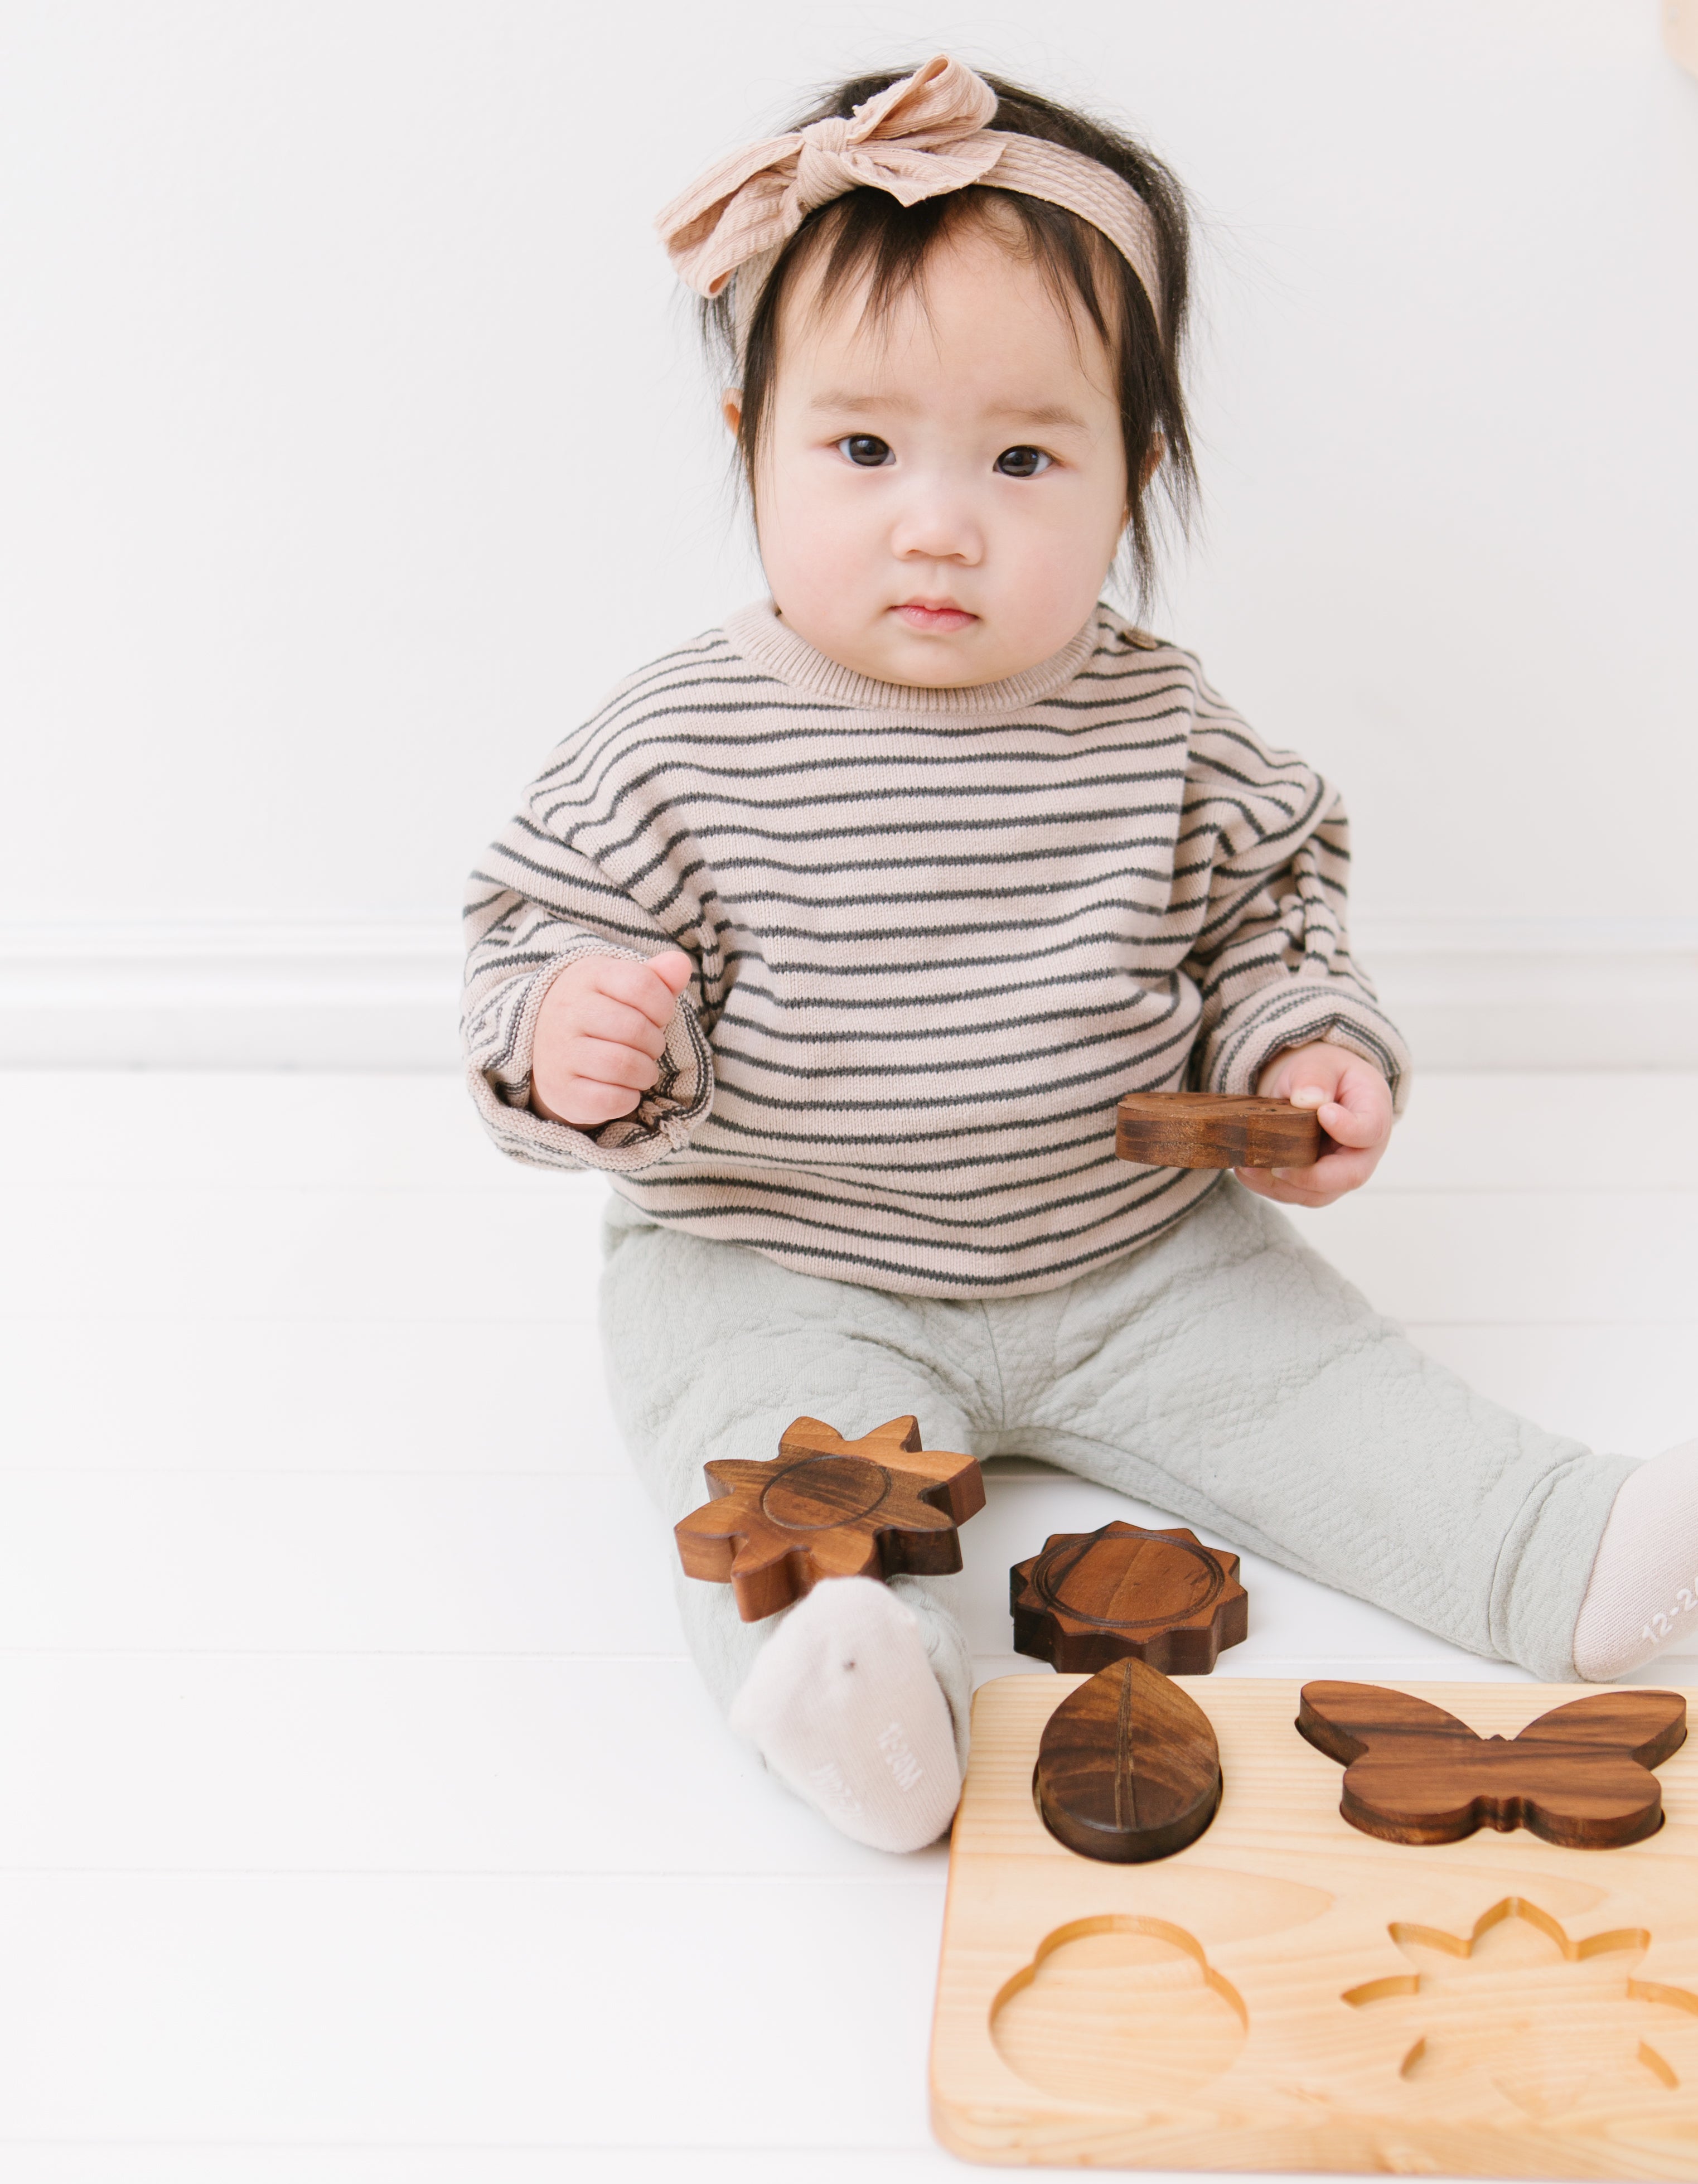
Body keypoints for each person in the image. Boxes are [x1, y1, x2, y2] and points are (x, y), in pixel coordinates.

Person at [461, 57, 1697, 1851]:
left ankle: (1562, 1552)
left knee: (1331, 1398)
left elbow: (1272, 915)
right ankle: (846, 1683)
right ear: (752, 443)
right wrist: (565, 1035)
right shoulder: (673, 746)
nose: (939, 521)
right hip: (784, 1259)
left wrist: (1303, 1054)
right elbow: (529, 945)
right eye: (864, 449)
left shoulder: (1167, 725)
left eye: (1025, 456)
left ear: (1136, 480)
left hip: (1134, 1259)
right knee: (762, 1475)